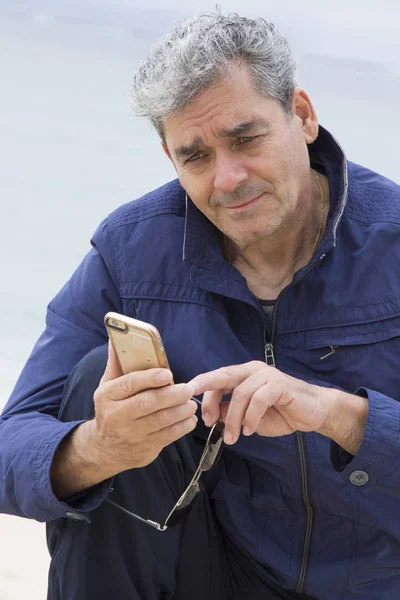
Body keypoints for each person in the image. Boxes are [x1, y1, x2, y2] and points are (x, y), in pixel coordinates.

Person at [1, 11, 400, 600]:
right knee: (97, 382)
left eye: (246, 139)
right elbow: (13, 444)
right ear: (169, 157)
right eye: (196, 156)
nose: (227, 178)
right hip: (220, 571)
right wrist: (99, 447)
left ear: (304, 115)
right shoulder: (132, 250)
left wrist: (335, 414)